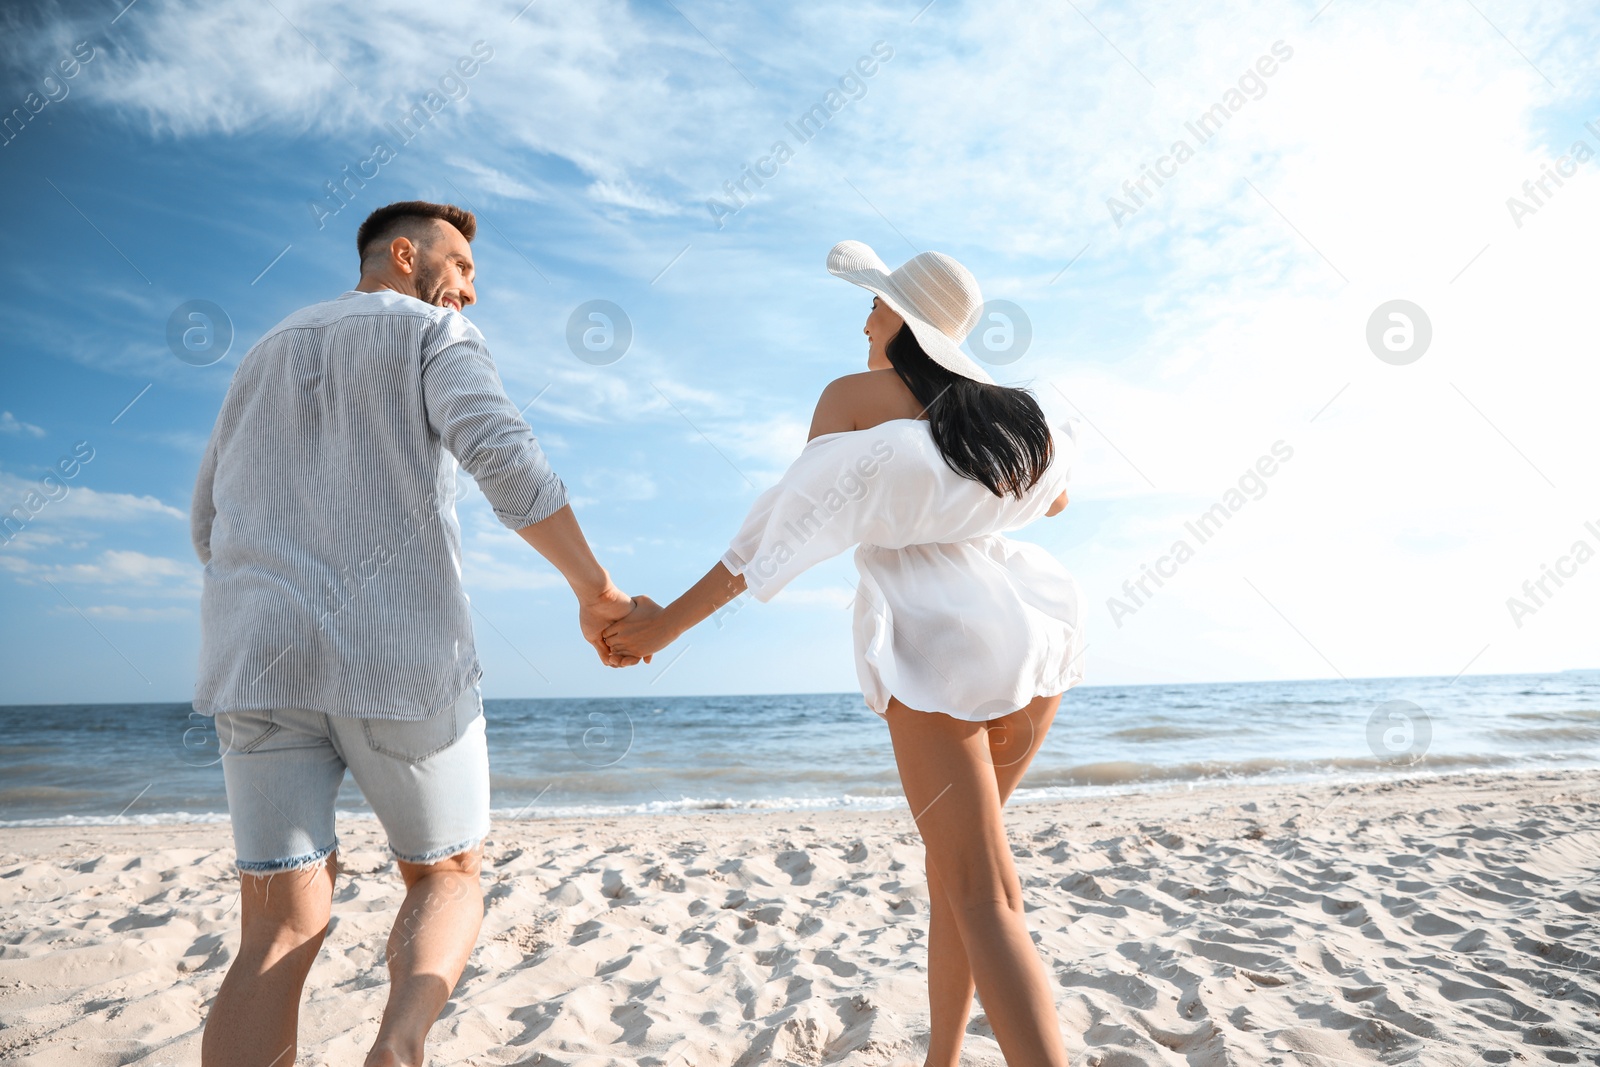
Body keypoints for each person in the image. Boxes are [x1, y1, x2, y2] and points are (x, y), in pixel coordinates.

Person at [604, 240, 1085, 1067]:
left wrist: (658, 628)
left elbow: (781, 527)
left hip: (935, 646)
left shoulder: (856, 396)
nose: (865, 316)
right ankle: (941, 1057)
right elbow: (1058, 496)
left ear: (902, 318)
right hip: (1030, 638)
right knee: (960, 880)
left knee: (982, 890)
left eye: (876, 302)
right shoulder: (1009, 411)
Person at [189, 200, 647, 1067]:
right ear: (404, 256)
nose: (470, 290)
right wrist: (596, 589)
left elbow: (207, 523)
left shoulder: (262, 352)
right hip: (400, 657)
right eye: (462, 266)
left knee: (278, 925)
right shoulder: (430, 333)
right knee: (444, 872)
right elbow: (505, 458)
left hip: (257, 661)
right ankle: (398, 1045)